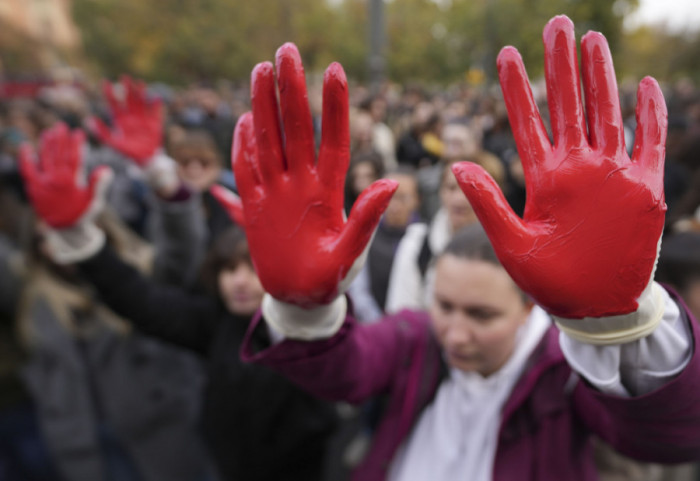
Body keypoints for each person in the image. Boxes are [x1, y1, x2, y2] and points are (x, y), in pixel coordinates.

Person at [214, 17, 700, 481]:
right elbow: (346, 371)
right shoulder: (416, 340)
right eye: (444, 306)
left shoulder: (563, 372)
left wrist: (617, 325)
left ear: (529, 306)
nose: (457, 334)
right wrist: (302, 313)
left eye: (482, 315)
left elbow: (671, 436)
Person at [19, 122, 338, 481]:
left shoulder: (308, 335)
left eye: (251, 269)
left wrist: (312, 306)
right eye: (228, 270)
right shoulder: (216, 323)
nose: (239, 282)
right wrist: (86, 247)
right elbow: (141, 300)